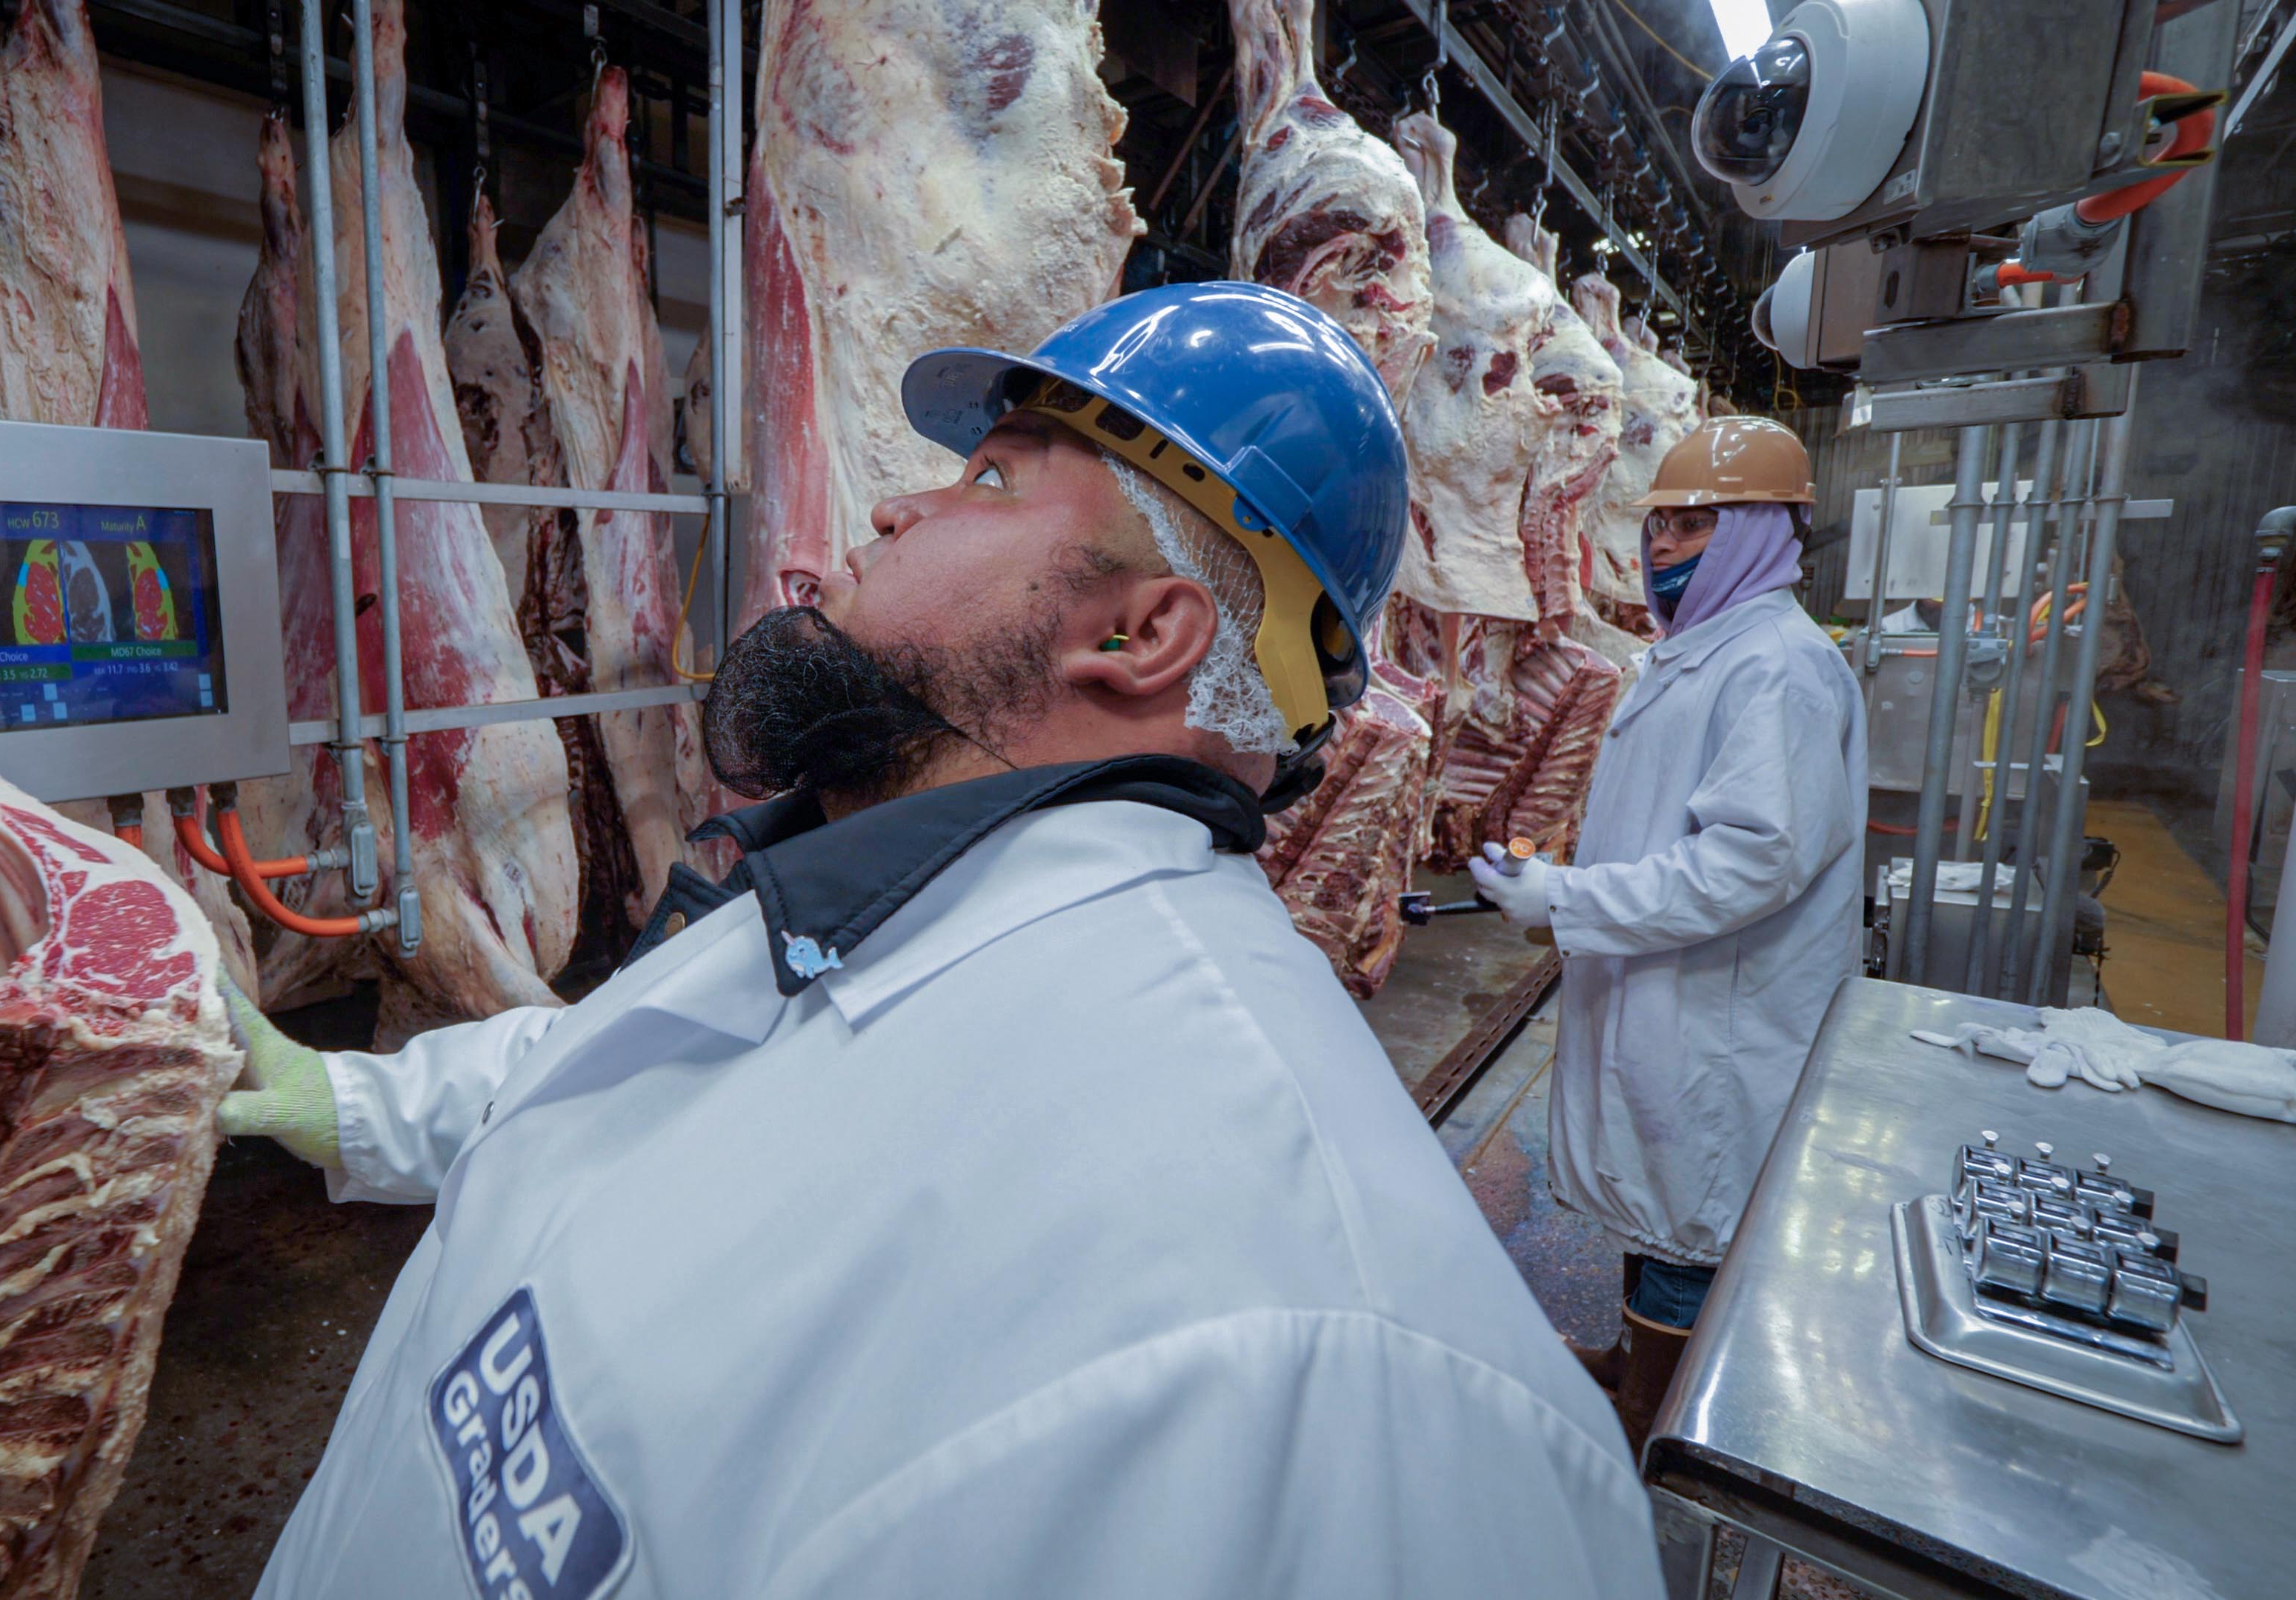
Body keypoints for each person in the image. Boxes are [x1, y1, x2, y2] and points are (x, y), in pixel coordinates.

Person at [224, 283, 1663, 1599]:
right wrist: (337, 1099)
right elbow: (684, 1071)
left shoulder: (1344, 1347)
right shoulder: (897, 888)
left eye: (988, 479)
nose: (897, 510)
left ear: (1143, 633)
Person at [1469, 416, 1866, 1444]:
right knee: (1659, 1200)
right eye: (1659, 527)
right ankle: (1632, 1359)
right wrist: (1565, 890)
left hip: (1720, 1013)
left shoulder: (1775, 666)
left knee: (1692, 1217)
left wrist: (1568, 902)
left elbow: (1753, 861)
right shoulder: (1702, 655)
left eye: (1692, 528)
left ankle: (1660, 1429)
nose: (1661, 550)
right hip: (1672, 989)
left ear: (1760, 531)